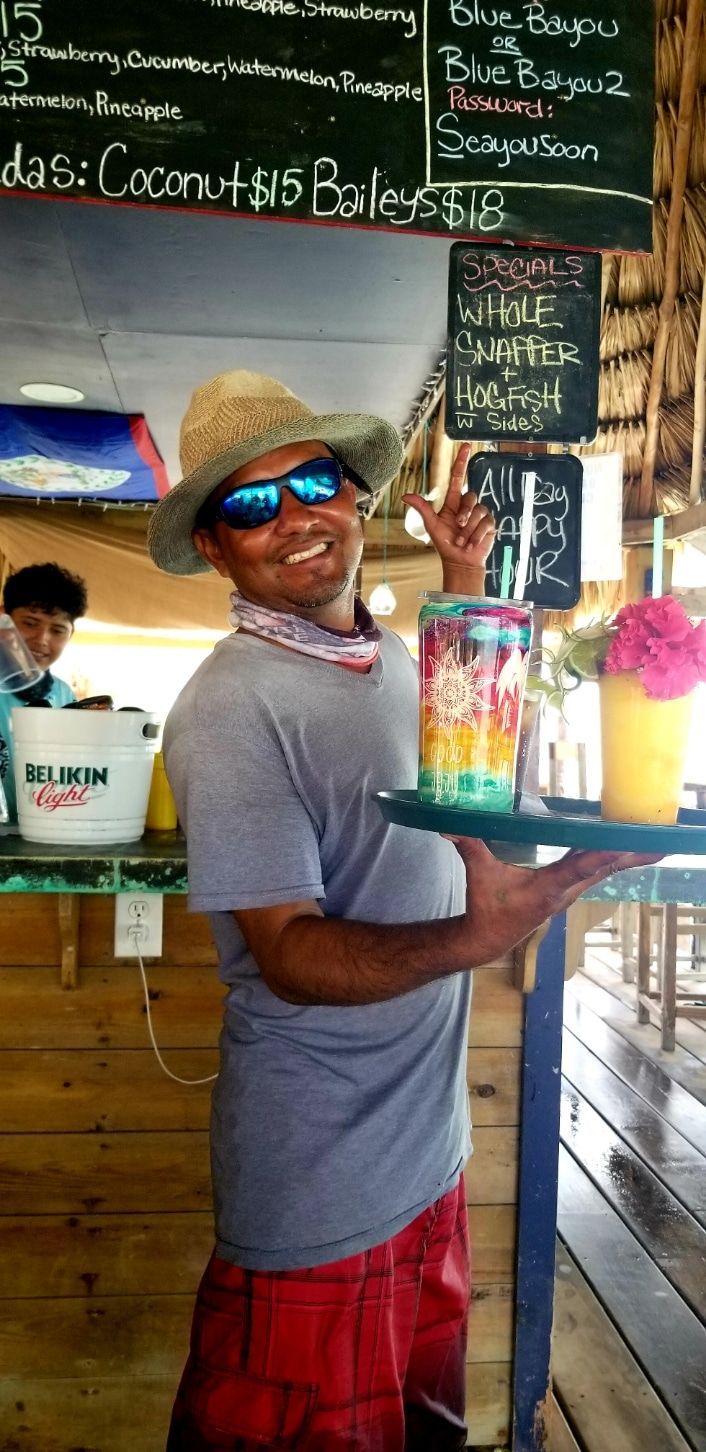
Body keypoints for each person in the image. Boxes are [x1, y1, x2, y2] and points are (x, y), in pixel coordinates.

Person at [148, 370, 657, 1452]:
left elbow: (489, 796)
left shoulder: (392, 658)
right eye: (248, 505)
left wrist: (466, 584)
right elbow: (287, 956)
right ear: (213, 546)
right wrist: (481, 936)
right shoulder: (231, 706)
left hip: (427, 1152)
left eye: (311, 481)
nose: (291, 518)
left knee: (419, 1435)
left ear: (353, 493)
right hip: (319, 1169)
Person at [0, 562, 87, 822]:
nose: (42, 639)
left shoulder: (63, 694)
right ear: (3, 618)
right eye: (30, 622)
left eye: (58, 630)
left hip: (40, 833)